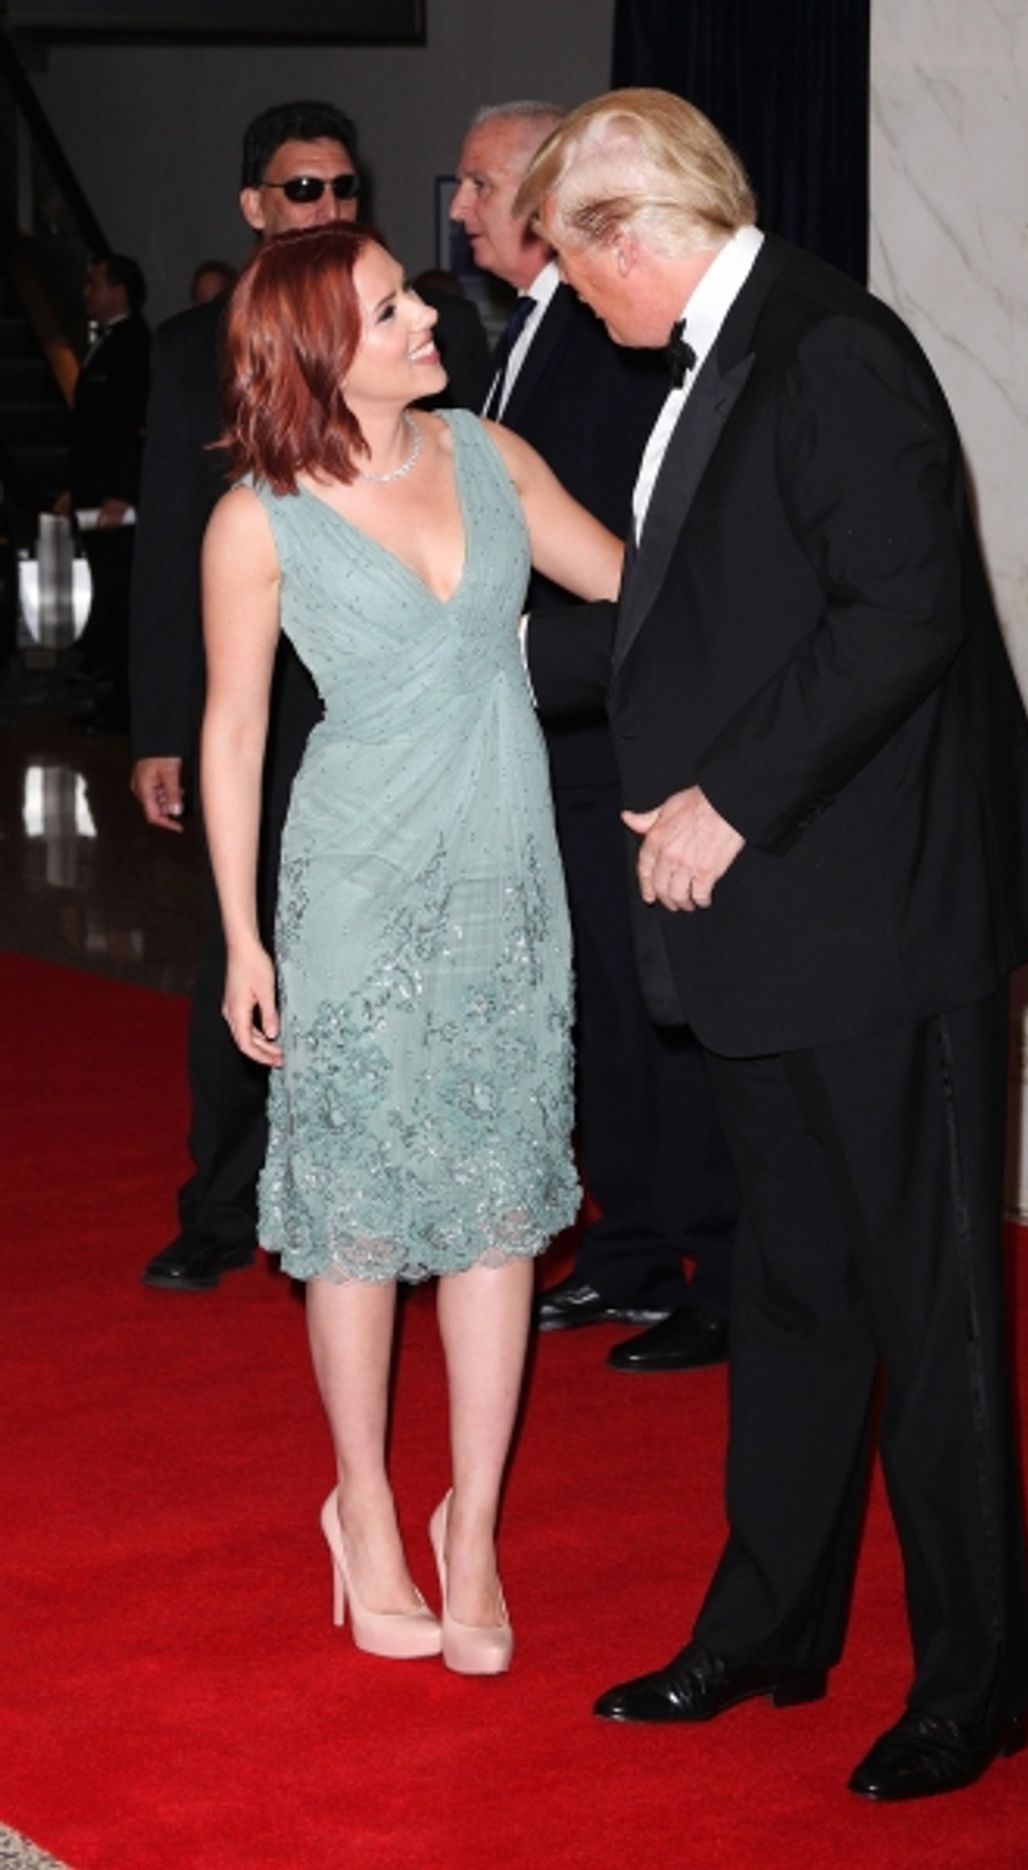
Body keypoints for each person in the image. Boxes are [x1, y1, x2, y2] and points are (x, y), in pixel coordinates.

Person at [517, 91, 1028, 1798]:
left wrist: (725, 803)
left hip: (879, 914)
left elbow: (903, 613)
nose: (576, 301)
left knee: (935, 1312)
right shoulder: (723, 346)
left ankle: (979, 1681)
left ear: (633, 233)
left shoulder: (831, 345)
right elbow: (705, 615)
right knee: (793, 1287)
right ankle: (773, 1627)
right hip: (772, 927)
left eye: (570, 258)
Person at [201, 221, 622, 1670]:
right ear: (323, 351)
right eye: (389, 309)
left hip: (508, 877)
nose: (423, 317)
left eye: (412, 296)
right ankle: (367, 1508)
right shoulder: (258, 519)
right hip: (357, 887)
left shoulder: (491, 457)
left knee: (502, 1206)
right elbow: (237, 731)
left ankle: (474, 1525)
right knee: (365, 1219)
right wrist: (244, 939)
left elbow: (633, 585)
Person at [130, 99, 486, 1295]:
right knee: (248, 956)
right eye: (301, 193)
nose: (326, 209)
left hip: (388, 704)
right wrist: (159, 730)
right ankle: (222, 1203)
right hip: (261, 710)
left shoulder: (411, 341)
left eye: (342, 191)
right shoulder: (190, 352)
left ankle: (410, 1192)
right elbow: (170, 547)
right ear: (253, 207)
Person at [451, 101, 737, 1373]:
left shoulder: (618, 332)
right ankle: (628, 1247)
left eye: (474, 187)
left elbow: (638, 559)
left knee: (662, 1012)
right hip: (557, 739)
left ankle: (718, 1269)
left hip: (618, 735)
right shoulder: (529, 327)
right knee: (599, 1018)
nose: (458, 210)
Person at [55, 253, 151, 734]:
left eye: (94, 283)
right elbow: (91, 431)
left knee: (120, 600)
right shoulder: (107, 344)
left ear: (119, 289)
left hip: (116, 507)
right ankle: (113, 696)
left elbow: (132, 429)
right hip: (96, 498)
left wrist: (119, 493)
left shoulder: (134, 346)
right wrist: (77, 487)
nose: (86, 293)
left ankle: (126, 704)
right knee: (109, 597)